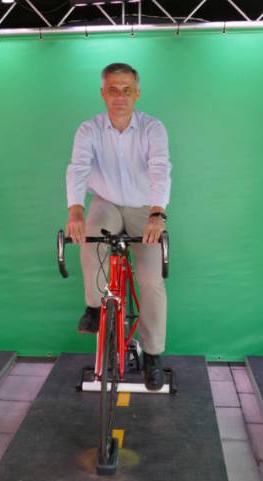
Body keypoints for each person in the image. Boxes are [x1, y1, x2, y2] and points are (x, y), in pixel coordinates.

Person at [65, 63, 172, 390]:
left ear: (137, 93)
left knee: (150, 280)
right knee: (90, 236)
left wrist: (157, 214)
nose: (120, 96)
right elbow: (78, 168)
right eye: (113, 89)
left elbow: (160, 169)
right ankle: (94, 306)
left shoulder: (153, 128)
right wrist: (75, 211)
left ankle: (152, 355)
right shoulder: (89, 129)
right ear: (103, 93)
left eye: (127, 90)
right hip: (106, 202)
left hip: (144, 206)